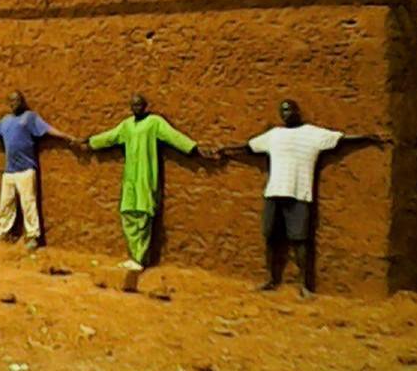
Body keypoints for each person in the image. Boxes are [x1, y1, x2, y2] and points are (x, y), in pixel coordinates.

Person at [220, 99, 385, 297]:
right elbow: (249, 147)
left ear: (298, 111)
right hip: (274, 191)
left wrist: (367, 138)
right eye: (282, 111)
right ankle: (271, 279)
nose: (286, 113)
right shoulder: (274, 135)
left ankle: (305, 285)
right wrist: (227, 150)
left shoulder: (313, 134)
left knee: (300, 240)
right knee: (271, 237)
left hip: (299, 193)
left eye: (289, 109)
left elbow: (341, 140)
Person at [85, 94, 213, 270]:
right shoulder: (127, 125)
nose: (136, 107)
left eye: (139, 104)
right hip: (130, 177)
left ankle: (139, 259)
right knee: (127, 212)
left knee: (144, 215)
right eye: (133, 105)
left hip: (146, 176)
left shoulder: (154, 122)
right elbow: (110, 137)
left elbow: (173, 136)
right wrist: (90, 142)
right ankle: (134, 255)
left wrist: (193, 148)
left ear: (145, 106)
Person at [0, 91, 78, 250]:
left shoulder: (29, 118)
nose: (14, 103)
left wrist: (67, 136)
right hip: (9, 171)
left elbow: (47, 129)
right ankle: (3, 233)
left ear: (22, 101)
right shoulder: (5, 121)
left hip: (26, 170)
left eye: (17, 100)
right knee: (5, 204)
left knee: (28, 204)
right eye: (11, 101)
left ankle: (33, 236)